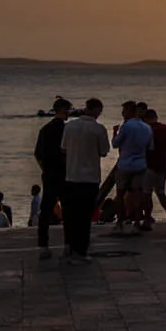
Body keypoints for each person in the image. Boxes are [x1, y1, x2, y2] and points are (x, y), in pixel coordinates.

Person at [60, 99, 110, 260]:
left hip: (71, 176)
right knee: (85, 216)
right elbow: (104, 151)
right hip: (90, 178)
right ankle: (81, 250)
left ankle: (69, 245)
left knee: (70, 214)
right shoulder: (99, 129)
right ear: (96, 110)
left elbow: (64, 148)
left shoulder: (69, 127)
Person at [33, 98, 70, 258]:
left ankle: (43, 245)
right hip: (64, 174)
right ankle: (68, 244)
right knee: (68, 210)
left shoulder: (45, 129)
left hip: (49, 174)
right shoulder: (67, 130)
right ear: (62, 110)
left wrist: (45, 169)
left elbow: (38, 154)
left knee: (46, 210)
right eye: (68, 110)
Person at [111, 102, 152, 231]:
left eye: (124, 110)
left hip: (125, 164)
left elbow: (115, 144)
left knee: (120, 193)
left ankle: (119, 223)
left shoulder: (126, 126)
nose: (123, 113)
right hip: (141, 164)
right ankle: (138, 222)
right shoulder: (147, 127)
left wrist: (115, 133)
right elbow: (150, 147)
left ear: (130, 111)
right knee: (137, 193)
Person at [143, 106, 166, 231]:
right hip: (163, 165)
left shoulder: (147, 130)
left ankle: (147, 219)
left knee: (147, 193)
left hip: (149, 165)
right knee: (160, 192)